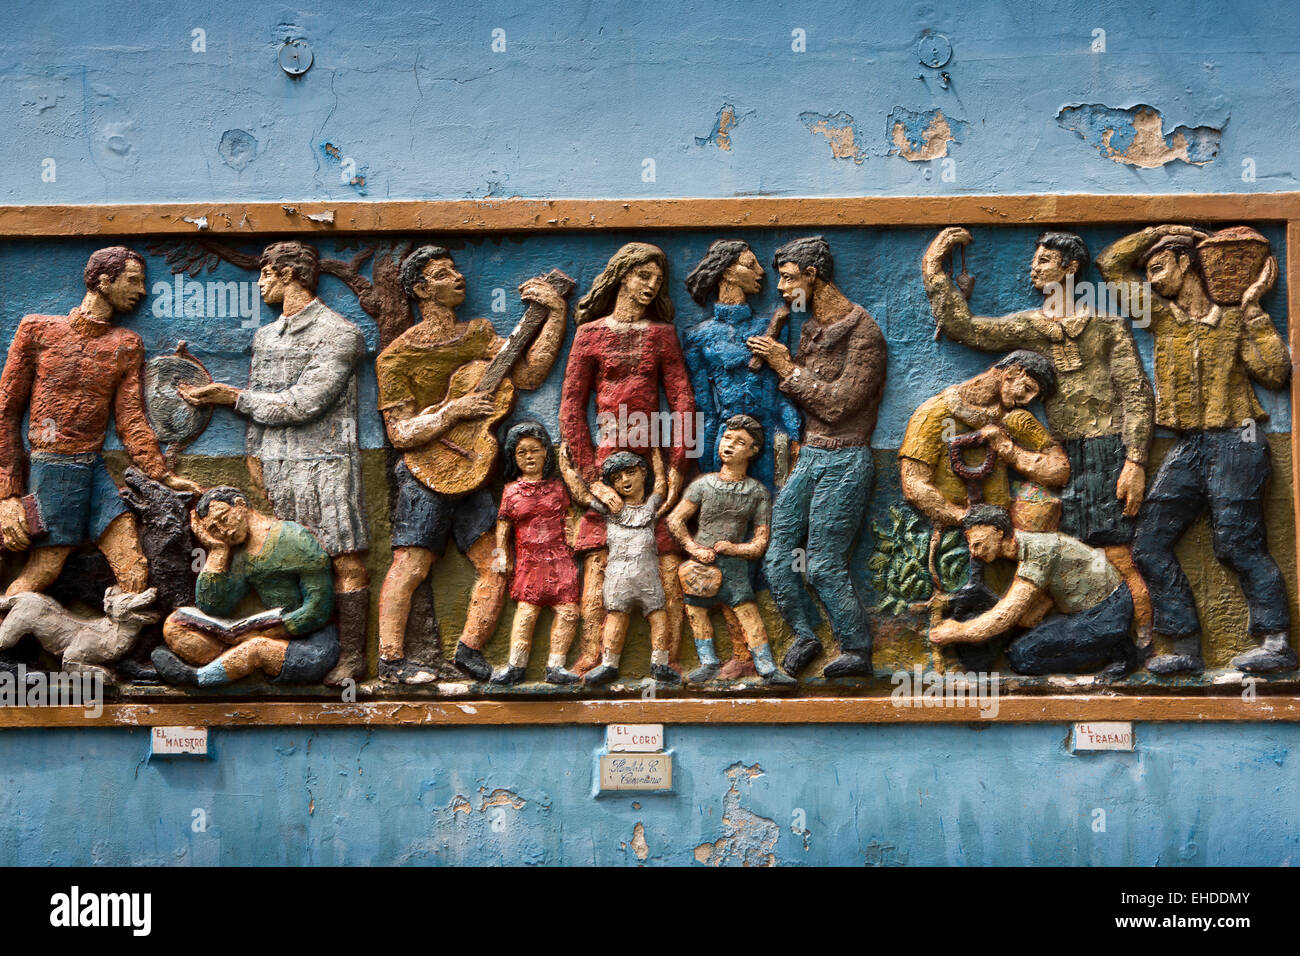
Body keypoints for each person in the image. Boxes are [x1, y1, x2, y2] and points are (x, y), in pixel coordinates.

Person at [922, 227, 1154, 645]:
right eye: (1034, 260)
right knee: (1055, 550)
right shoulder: (1029, 326)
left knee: (1115, 554)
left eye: (1044, 261)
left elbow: (1136, 393)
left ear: (1071, 267)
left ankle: (1140, 641)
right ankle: (1057, 635)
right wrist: (935, 267)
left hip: (1107, 450)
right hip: (1057, 454)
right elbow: (965, 329)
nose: (1034, 268)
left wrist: (1135, 460)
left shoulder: (1106, 326)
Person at [1098, 225, 1294, 674]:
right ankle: (1185, 647)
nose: (1150, 280)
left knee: (1236, 543)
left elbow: (1276, 374)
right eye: (1146, 272)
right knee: (1149, 542)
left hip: (1238, 442)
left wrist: (1253, 310)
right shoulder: (1159, 318)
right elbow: (1109, 264)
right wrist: (1161, 229)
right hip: (1189, 447)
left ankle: (1277, 641)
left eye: (1158, 267)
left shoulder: (1232, 321)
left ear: (1186, 263)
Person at [179, 240, 370, 688]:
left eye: (264, 274)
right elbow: (260, 397)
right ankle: (295, 646)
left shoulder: (340, 334)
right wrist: (253, 453)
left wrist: (232, 397)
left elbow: (304, 402)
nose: (260, 284)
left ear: (287, 274)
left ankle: (352, 657)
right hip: (278, 465)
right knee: (285, 561)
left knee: (343, 559)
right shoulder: (266, 337)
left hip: (326, 465)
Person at [375, 246, 568, 684]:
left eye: (457, 269)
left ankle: (470, 649)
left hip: (475, 468)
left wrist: (555, 314)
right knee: (413, 563)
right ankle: (390, 661)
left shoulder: (479, 334)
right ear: (422, 290)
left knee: (497, 562)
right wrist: (452, 411)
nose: (459, 277)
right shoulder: (395, 358)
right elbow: (399, 433)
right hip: (426, 470)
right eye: (443, 274)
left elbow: (529, 375)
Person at [0, 246, 201, 601]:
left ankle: (112, 643)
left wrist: (161, 474)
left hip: (94, 471)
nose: (141, 292)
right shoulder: (37, 331)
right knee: (44, 570)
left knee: (135, 569)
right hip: (52, 471)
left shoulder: (126, 344)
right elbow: (6, 411)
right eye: (133, 281)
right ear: (104, 281)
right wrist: (9, 495)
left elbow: (131, 418)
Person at [748, 236, 886, 679]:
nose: (783, 290)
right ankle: (805, 633)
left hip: (847, 461)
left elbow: (838, 405)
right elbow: (804, 406)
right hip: (809, 457)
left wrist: (785, 367)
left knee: (824, 562)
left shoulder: (864, 333)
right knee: (778, 557)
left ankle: (856, 649)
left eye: (788, 279)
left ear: (813, 276)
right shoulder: (808, 329)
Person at [559, 243, 696, 676]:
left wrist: (678, 466)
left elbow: (683, 401)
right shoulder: (590, 334)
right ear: (622, 275)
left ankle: (669, 659)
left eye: (657, 280)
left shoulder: (662, 335)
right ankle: (594, 654)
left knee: (668, 562)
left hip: (652, 456)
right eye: (643, 276)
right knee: (598, 561)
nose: (650, 286)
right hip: (604, 456)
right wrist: (588, 477)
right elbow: (570, 407)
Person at [681, 240, 803, 679]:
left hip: (768, 441)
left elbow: (783, 387)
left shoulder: (771, 326)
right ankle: (736, 651)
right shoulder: (698, 336)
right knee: (720, 532)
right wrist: (700, 450)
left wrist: (792, 433)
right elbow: (698, 398)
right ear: (728, 272)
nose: (761, 275)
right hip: (720, 440)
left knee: (768, 528)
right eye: (752, 267)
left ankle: (764, 641)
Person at [151, 487, 338, 686]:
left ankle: (198, 678)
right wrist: (217, 550)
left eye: (224, 518)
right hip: (257, 635)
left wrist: (266, 632)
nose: (223, 531)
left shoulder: (293, 538)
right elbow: (213, 606)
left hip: (311, 646)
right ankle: (231, 664)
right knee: (175, 624)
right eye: (214, 530)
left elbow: (319, 609)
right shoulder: (242, 555)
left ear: (240, 505)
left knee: (257, 649)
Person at [928, 504, 1136, 676]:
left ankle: (1112, 650)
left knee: (1023, 657)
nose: (973, 553)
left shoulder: (1038, 553)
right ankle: (1111, 643)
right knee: (1032, 640)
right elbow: (1062, 581)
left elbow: (1004, 617)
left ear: (998, 532)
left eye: (978, 544)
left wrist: (957, 631)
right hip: (1098, 610)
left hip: (1105, 614)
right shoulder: (1032, 546)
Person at [668, 414, 795, 686]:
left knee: (749, 614)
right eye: (727, 438)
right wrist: (692, 547)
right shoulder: (703, 485)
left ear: (753, 450)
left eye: (740, 442)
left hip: (735, 568)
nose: (729, 445)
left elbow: (760, 543)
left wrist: (734, 548)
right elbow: (675, 520)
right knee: (696, 611)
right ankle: (708, 662)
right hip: (702, 565)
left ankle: (767, 667)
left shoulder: (757, 493)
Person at [899, 351, 1069, 530]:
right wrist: (965, 517)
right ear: (1012, 372)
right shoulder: (933, 414)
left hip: (1000, 536)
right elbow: (913, 484)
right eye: (1027, 388)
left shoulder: (1014, 419)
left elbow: (1060, 470)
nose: (1026, 401)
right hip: (952, 535)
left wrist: (1007, 448)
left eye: (1033, 398)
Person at [560, 448, 675, 687]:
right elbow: (581, 496)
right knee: (615, 618)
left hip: (648, 576)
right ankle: (610, 664)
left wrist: (655, 454)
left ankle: (660, 663)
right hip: (618, 577)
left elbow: (661, 487)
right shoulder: (611, 510)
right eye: (617, 478)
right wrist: (566, 470)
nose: (625, 481)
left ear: (643, 473)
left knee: (659, 616)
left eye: (631, 473)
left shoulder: (650, 508)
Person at [490, 421, 582, 686]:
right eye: (522, 453)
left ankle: (556, 666)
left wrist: (574, 537)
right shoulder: (511, 492)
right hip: (530, 562)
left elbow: (568, 517)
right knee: (527, 613)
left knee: (568, 613)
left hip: (560, 560)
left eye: (534, 450)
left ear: (545, 452)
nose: (529, 457)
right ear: (514, 458)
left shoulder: (556, 489)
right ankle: (516, 666)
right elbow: (503, 527)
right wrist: (501, 555)